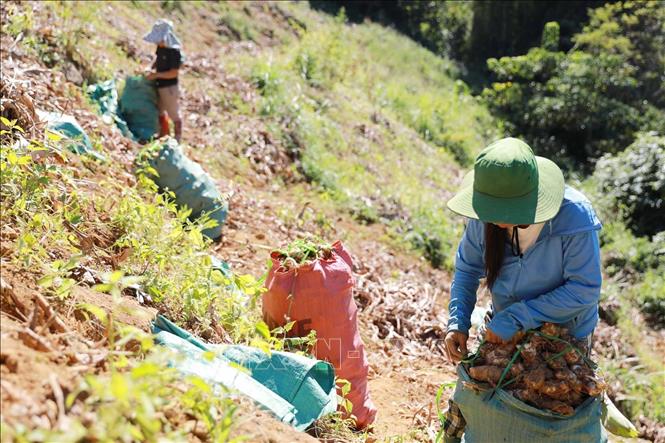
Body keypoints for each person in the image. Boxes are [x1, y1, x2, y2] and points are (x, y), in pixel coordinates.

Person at [442, 137, 602, 442]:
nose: (498, 224)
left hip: (563, 336)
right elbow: (467, 270)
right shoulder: (484, 218)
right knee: (483, 399)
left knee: (552, 418)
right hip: (503, 326)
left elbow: (584, 289)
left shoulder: (574, 217)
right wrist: (457, 322)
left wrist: (518, 317)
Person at [143, 19, 184, 142]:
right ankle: (163, 134)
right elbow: (157, 60)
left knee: (173, 113)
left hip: (169, 87)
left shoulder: (174, 52)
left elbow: (173, 73)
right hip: (160, 85)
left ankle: (177, 139)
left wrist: (156, 75)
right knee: (160, 110)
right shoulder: (161, 48)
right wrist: (150, 68)